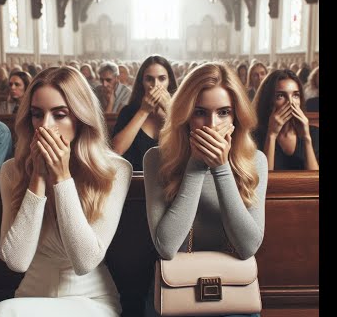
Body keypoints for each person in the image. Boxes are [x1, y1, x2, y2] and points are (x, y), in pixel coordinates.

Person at [0, 66, 133, 317]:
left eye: (60, 114)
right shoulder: (12, 170)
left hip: (90, 299)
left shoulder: (115, 169)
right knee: (4, 312)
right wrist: (38, 177)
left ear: (80, 117)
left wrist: (61, 176)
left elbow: (85, 261)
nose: (45, 126)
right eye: (36, 114)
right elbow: (17, 261)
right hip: (30, 298)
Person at [143, 62, 267, 317]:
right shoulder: (157, 159)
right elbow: (166, 247)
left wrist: (221, 169)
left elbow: (248, 246)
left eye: (223, 112)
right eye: (200, 112)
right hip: (175, 292)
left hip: (235, 295)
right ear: (185, 115)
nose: (211, 124)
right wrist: (196, 166)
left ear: (236, 116)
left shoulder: (255, 161)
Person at [111, 55, 177, 170]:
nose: (156, 85)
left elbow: (188, 149)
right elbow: (116, 150)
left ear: (169, 81)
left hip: (171, 181)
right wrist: (143, 111)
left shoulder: (180, 111)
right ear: (142, 82)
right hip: (135, 181)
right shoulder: (128, 111)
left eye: (162, 78)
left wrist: (170, 109)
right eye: (149, 79)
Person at [252, 69, 319, 170]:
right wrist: (271, 135)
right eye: (281, 96)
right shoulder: (255, 137)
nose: (291, 102)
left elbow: (315, 182)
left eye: (295, 95)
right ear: (269, 102)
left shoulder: (315, 134)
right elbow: (264, 182)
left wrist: (306, 137)